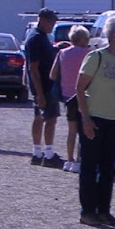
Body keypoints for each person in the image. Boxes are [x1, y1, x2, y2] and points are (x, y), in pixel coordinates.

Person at [74, 16, 115, 226]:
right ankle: (87, 211)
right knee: (90, 166)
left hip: (113, 119)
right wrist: (86, 119)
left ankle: (103, 210)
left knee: (108, 168)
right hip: (94, 118)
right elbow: (79, 88)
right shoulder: (95, 57)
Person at [52, 25, 93, 172]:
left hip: (67, 95)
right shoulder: (89, 54)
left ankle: (69, 161)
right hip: (86, 95)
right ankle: (81, 160)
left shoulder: (62, 53)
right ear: (82, 39)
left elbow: (53, 74)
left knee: (71, 131)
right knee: (85, 130)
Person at [25, 9, 62, 166]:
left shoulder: (41, 37)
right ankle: (48, 154)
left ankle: (37, 152)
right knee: (50, 118)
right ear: (42, 20)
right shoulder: (36, 39)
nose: (53, 25)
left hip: (44, 85)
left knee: (39, 118)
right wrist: (40, 93)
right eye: (51, 21)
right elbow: (33, 67)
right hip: (44, 85)